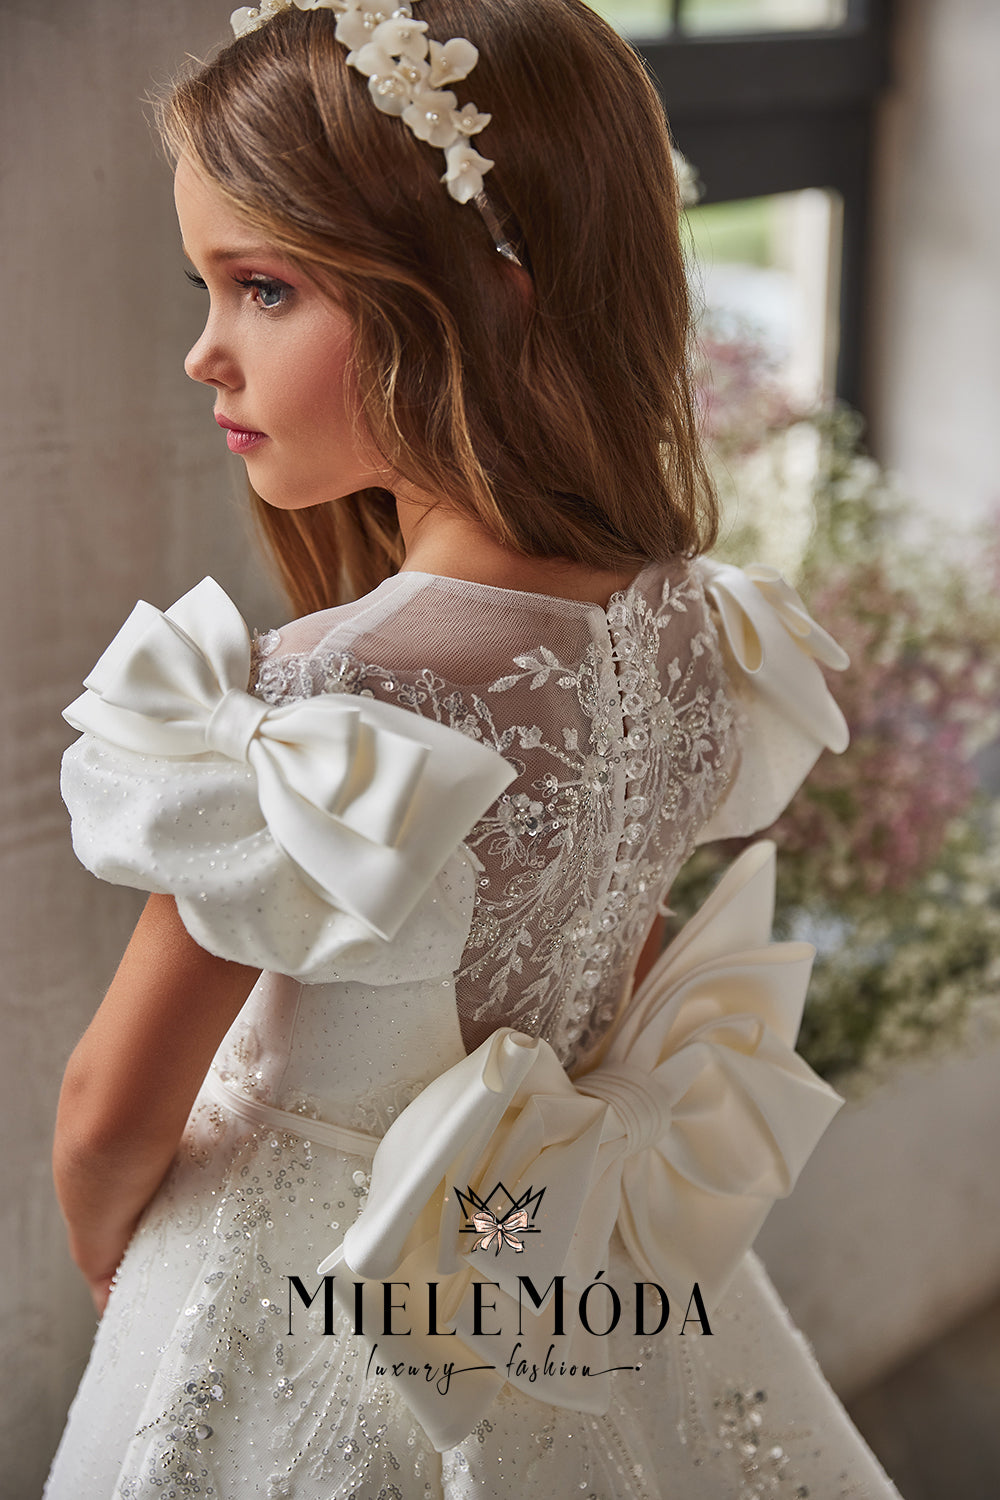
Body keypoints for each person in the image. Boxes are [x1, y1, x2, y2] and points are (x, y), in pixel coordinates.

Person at [45, 1, 903, 1495]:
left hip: (295, 1307)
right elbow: (603, 980)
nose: (204, 354)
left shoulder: (318, 701)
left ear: (491, 292)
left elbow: (111, 1108)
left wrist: (118, 1261)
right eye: (208, 289)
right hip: (553, 1271)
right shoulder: (707, 634)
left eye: (262, 290)